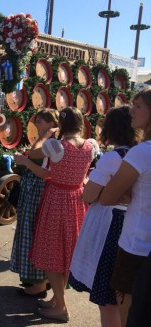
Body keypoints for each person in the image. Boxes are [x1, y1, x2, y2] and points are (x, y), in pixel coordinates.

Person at [69, 106, 138, 327]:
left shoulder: (113, 158)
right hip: (132, 223)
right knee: (124, 296)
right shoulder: (139, 153)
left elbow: (88, 195)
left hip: (109, 225)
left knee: (108, 300)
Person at [29, 106, 99, 323]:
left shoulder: (55, 146)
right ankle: (56, 299)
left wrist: (45, 135)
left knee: (52, 253)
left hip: (57, 199)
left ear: (63, 125)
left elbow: (33, 153)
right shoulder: (91, 145)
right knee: (67, 251)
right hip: (77, 201)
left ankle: (61, 307)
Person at [99, 87, 151, 327]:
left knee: (130, 315)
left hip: (135, 245)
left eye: (138, 106)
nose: (132, 111)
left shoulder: (142, 152)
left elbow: (108, 196)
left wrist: (124, 193)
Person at [10, 108, 59, 298]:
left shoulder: (50, 141)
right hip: (34, 188)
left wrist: (24, 160)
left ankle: (38, 283)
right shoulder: (50, 140)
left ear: (50, 123)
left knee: (32, 232)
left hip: (38, 190)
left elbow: (35, 157)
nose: (36, 124)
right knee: (32, 232)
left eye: (40, 121)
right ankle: (40, 281)